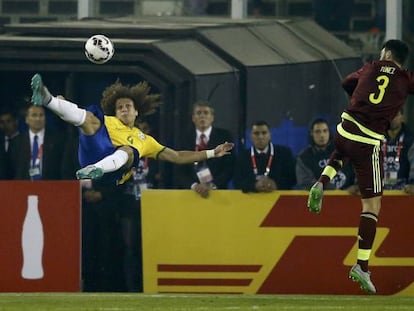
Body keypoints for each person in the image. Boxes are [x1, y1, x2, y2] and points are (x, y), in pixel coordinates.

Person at [307, 39, 414, 294]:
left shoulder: (370, 67)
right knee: (372, 205)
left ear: (386, 53)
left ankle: (321, 181)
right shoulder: (406, 77)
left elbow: (346, 82)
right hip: (368, 140)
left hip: (346, 126)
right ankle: (362, 266)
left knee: (343, 150)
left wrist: (361, 98)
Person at [30, 74, 234, 184]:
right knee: (90, 119)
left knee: (129, 151)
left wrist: (211, 153)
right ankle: (45, 98)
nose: (124, 109)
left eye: (128, 106)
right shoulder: (108, 121)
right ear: (115, 112)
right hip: (92, 156)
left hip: (113, 173)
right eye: (119, 107)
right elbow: (79, 116)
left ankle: (98, 169)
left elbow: (178, 156)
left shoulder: (145, 139)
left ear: (137, 112)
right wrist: (61, 105)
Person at [174, 101, 235, 198]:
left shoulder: (224, 136)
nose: (202, 116)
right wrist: (194, 186)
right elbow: (178, 168)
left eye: (206, 113)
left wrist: (212, 185)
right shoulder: (183, 138)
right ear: (193, 118)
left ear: (212, 117)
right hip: (190, 194)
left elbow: (229, 167)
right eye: (199, 113)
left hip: (218, 193)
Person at [233, 120, 296, 192]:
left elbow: (293, 178)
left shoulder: (284, 153)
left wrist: (276, 184)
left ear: (270, 135)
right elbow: (237, 182)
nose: (260, 137)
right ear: (250, 136)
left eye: (264, 133)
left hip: (279, 199)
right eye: (256, 133)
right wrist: (254, 186)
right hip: (251, 200)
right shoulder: (243, 156)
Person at [8, 104, 65, 180]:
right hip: (22, 187)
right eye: (34, 115)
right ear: (27, 119)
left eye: (41, 115)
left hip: (50, 186)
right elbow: (11, 170)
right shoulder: (16, 142)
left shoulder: (58, 140)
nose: (38, 119)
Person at [296, 118, 355, 190]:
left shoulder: (343, 150)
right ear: (311, 133)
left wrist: (356, 185)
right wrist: (332, 191)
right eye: (317, 131)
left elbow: (357, 169)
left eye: (325, 131)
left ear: (329, 132)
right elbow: (306, 182)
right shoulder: (304, 157)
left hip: (349, 196)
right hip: (321, 198)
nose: (322, 135)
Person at [382, 109, 414, 190]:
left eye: (395, 115)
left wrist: (412, 183)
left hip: (403, 191)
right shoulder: (376, 138)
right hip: (379, 191)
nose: (392, 118)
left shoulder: (410, 139)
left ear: (402, 117)